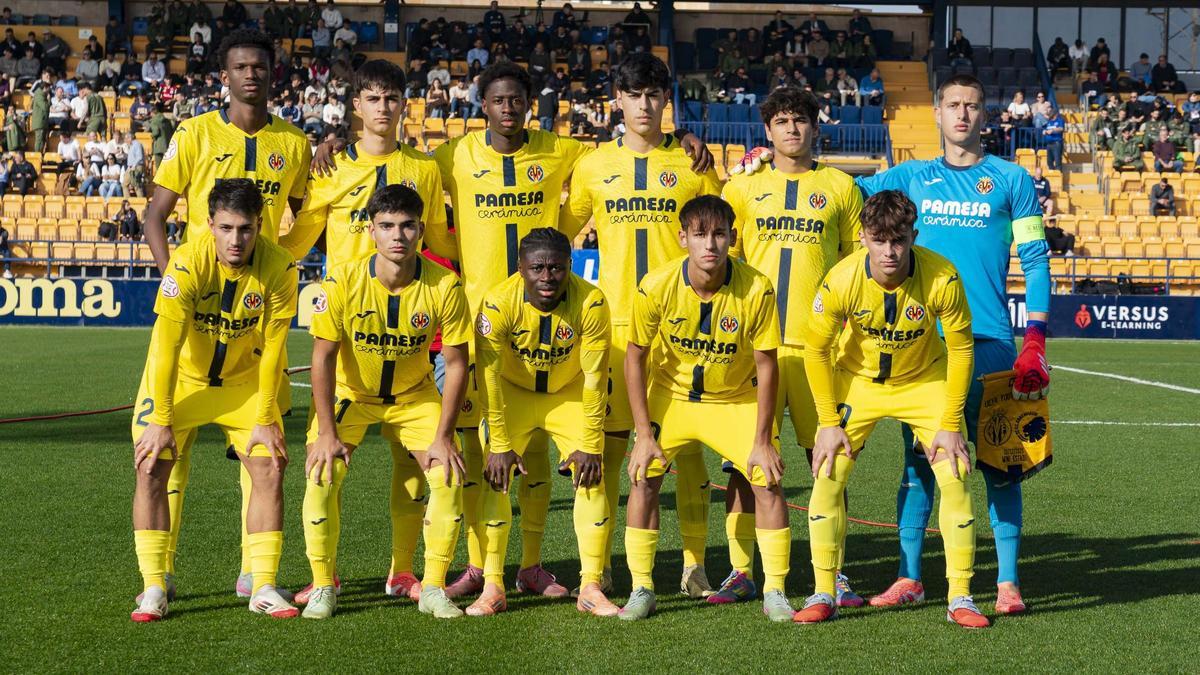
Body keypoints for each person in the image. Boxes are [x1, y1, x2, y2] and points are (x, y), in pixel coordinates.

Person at [140, 29, 312, 599]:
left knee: (260, 454)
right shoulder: (193, 134)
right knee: (169, 459)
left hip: (255, 316)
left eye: (260, 66)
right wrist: (176, 282)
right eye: (240, 66)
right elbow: (155, 215)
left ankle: (254, 575)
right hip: (196, 307)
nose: (251, 75)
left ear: (273, 73)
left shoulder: (296, 143)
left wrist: (283, 264)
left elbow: (301, 213)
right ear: (225, 75)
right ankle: (157, 580)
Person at [559, 53, 723, 599]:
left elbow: (719, 231)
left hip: (681, 330)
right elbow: (561, 228)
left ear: (665, 100)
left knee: (689, 447)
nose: (646, 104)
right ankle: (598, 566)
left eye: (655, 94)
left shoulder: (692, 162)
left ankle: (694, 564)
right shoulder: (591, 164)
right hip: (609, 328)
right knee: (604, 452)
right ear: (618, 100)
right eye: (635, 95)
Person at [795, 189, 985, 628]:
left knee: (954, 474)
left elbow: (960, 350)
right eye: (879, 240)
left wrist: (951, 422)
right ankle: (825, 590)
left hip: (924, 381)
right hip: (858, 382)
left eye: (898, 240)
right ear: (862, 238)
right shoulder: (841, 279)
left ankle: (961, 595)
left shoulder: (942, 277)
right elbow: (815, 349)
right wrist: (827, 421)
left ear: (913, 236)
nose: (889, 251)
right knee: (827, 475)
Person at [128, 179, 299, 623]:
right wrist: (161, 418)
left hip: (243, 381)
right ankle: (153, 587)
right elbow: (165, 348)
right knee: (151, 463)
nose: (236, 239)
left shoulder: (280, 268)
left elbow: (275, 349)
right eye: (226, 228)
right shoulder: (185, 266)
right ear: (209, 225)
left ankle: (262, 584)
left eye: (245, 228)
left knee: (268, 462)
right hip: (181, 380)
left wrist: (265, 418)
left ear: (260, 225)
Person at [718, 86, 863, 607]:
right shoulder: (743, 188)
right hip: (752, 348)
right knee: (743, 463)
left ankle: (835, 573)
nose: (791, 129)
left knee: (826, 461)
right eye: (781, 121)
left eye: (800, 120)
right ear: (767, 130)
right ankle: (741, 571)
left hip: (816, 350)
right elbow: (721, 259)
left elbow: (854, 265)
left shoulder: (842, 187)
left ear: (814, 127)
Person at [300, 184, 471, 620]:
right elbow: (321, 357)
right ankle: (323, 585)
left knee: (447, 476)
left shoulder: (445, 285)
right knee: (322, 473)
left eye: (408, 225)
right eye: (388, 226)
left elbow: (455, 364)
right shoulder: (341, 280)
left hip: (414, 397)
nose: (398, 235)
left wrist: (444, 435)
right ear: (371, 231)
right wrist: (325, 432)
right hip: (352, 396)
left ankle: (429, 585)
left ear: (421, 231)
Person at [618, 194, 791, 622]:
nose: (710, 244)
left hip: (735, 399)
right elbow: (634, 357)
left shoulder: (757, 287)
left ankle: (776, 590)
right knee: (643, 476)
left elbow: (768, 365)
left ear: (733, 237)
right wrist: (643, 435)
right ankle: (642, 588)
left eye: (718, 234)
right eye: (700, 235)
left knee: (766, 480)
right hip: (673, 397)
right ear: (683, 239)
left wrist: (762, 440)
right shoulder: (655, 286)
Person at [469, 228, 617, 617]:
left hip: (566, 392)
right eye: (537, 268)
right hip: (512, 393)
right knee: (495, 475)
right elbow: (487, 378)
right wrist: (499, 444)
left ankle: (590, 586)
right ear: (520, 269)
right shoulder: (497, 303)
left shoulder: (592, 302)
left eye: (556, 267)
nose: (547, 277)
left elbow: (595, 378)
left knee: (591, 476)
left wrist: (589, 443)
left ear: (569, 265)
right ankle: (493, 585)